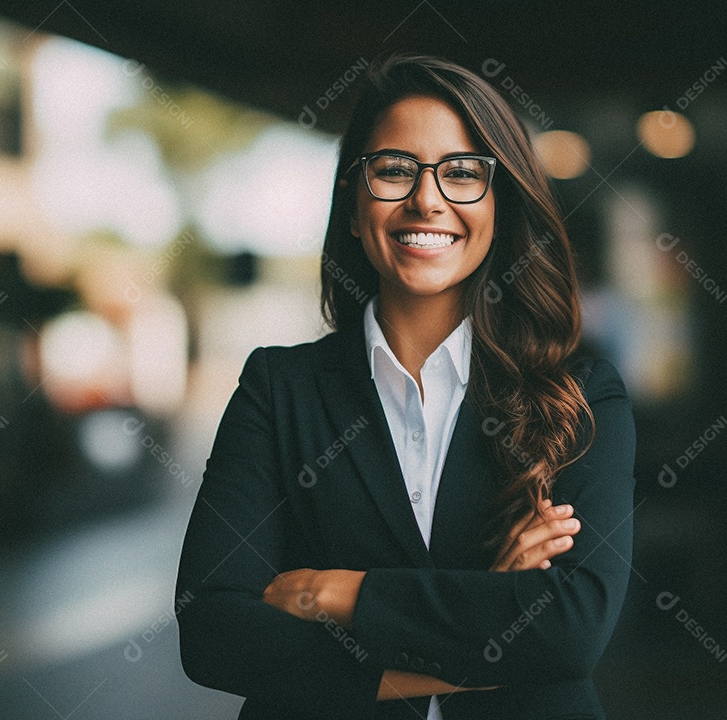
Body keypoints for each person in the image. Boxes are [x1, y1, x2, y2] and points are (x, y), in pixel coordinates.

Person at [175, 54, 636, 720]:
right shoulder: (278, 390)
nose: (427, 198)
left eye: (462, 173)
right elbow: (215, 635)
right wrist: (485, 612)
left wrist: (338, 594)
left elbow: (570, 632)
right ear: (354, 206)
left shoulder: (580, 397)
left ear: (501, 208)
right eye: (394, 169)